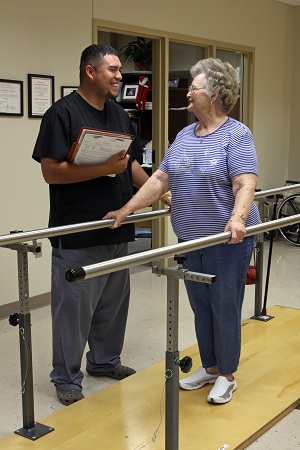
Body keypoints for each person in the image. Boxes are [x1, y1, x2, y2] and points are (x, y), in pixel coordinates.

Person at [104, 58, 261, 405]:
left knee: (224, 307)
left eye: (194, 87)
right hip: (191, 239)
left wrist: (238, 218)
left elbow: (245, 181)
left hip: (226, 240)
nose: (187, 91)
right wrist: (127, 209)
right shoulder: (185, 135)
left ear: (215, 94)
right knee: (201, 306)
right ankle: (210, 366)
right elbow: (161, 179)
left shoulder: (237, 134)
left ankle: (227, 375)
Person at [32, 44, 161, 406]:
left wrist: (157, 192)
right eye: (113, 69)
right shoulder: (62, 114)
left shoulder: (120, 116)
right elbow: (50, 172)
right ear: (90, 72)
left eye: (120, 70)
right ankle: (66, 377)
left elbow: (132, 166)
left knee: (112, 305)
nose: (120, 76)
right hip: (77, 233)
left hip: (116, 229)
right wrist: (104, 169)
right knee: (73, 313)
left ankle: (104, 361)